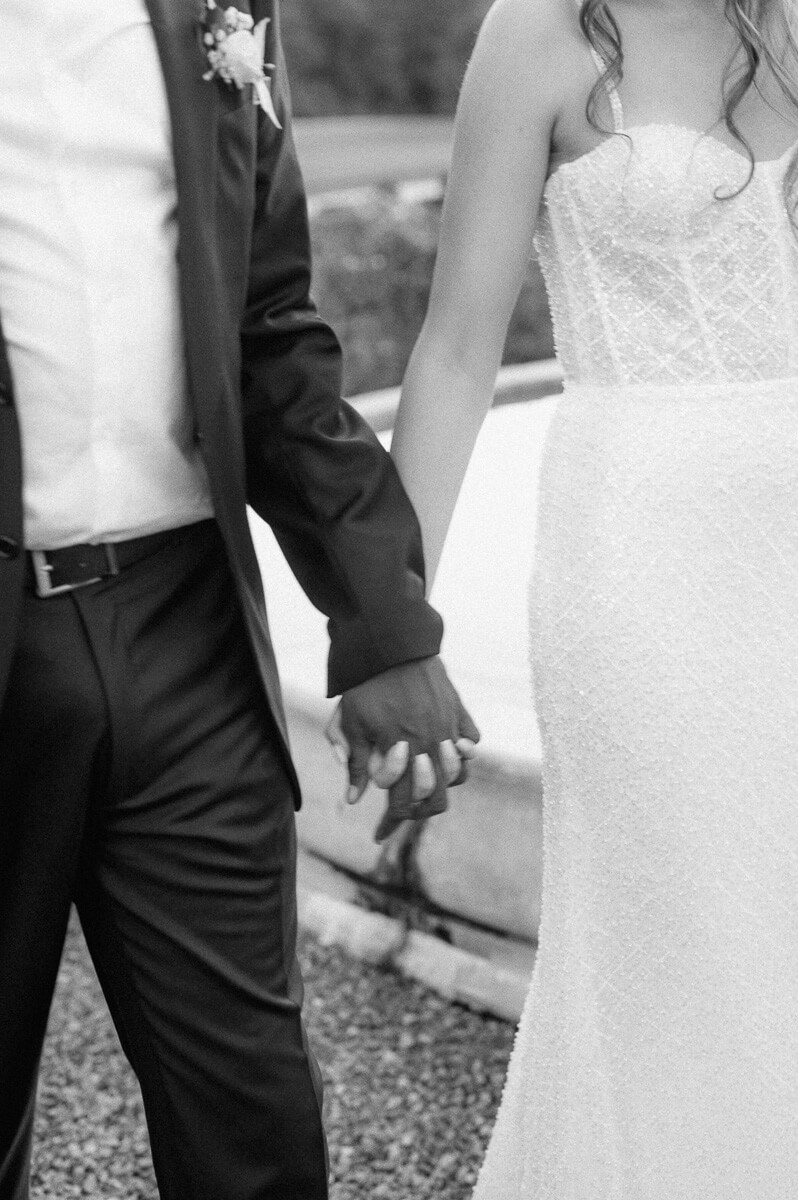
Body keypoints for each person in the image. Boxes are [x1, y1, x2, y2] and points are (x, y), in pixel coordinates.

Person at [0, 2, 479, 1197]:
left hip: (186, 632)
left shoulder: (216, 10)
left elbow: (269, 331)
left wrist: (382, 624)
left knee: (254, 1128)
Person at [391, 0, 798, 1194]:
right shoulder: (536, 33)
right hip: (641, 561)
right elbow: (459, 350)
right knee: (682, 936)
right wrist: (389, 627)